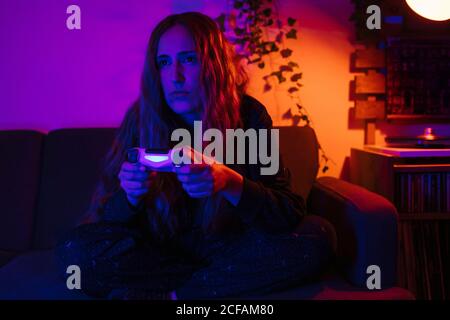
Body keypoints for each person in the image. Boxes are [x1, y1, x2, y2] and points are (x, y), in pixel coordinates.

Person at [55, 11, 334, 300]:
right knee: (74, 252)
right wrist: (130, 196)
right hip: (159, 253)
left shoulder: (249, 115)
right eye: (164, 63)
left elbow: (286, 212)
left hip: (231, 246)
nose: (175, 76)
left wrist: (230, 181)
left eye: (188, 59)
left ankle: (172, 294)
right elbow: (105, 220)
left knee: (319, 237)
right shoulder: (141, 118)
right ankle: (199, 287)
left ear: (212, 64)